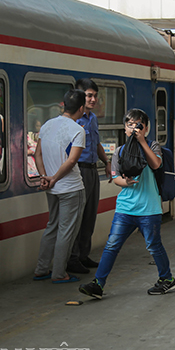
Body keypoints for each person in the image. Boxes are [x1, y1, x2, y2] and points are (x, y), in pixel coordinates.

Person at [78, 109, 175, 299]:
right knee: (111, 245)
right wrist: (126, 182)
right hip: (125, 207)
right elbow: (115, 177)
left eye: (138, 124)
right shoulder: (119, 151)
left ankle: (167, 279)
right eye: (130, 124)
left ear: (146, 128)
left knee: (153, 245)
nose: (133, 128)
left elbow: (156, 164)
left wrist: (141, 142)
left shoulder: (152, 145)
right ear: (125, 129)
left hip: (149, 207)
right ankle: (98, 284)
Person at [33, 89, 87, 284]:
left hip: (51, 188)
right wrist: (55, 178)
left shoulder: (47, 125)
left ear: (63, 105)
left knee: (52, 226)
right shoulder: (78, 130)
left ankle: (41, 269)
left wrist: (44, 177)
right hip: (71, 188)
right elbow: (72, 161)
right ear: (81, 108)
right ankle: (59, 273)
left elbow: (37, 154)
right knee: (66, 230)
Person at [67, 79, 112, 275]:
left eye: (95, 95)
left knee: (90, 214)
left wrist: (107, 162)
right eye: (89, 95)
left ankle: (84, 254)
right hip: (78, 170)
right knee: (78, 215)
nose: (93, 99)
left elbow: (96, 144)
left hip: (93, 170)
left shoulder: (92, 118)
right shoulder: (74, 120)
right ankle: (73, 257)